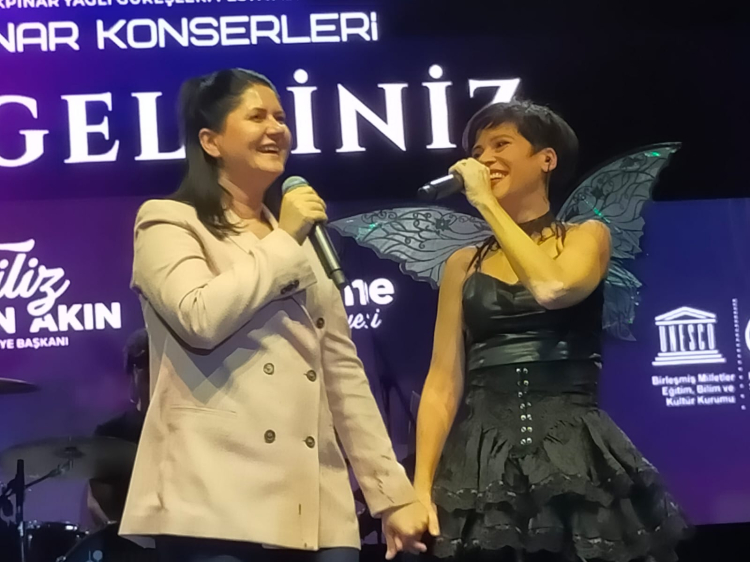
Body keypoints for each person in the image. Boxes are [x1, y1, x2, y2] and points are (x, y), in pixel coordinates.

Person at [119, 68, 429, 562]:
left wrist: (391, 495)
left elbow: (342, 373)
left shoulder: (301, 242)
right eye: (257, 116)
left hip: (316, 501)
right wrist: (285, 239)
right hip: (215, 498)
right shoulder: (169, 221)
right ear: (211, 141)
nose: (275, 129)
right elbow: (198, 317)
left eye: (281, 117)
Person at [412, 101, 689, 561]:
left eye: (501, 144)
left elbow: (553, 288)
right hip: (482, 458)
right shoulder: (462, 264)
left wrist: (485, 203)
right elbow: (442, 381)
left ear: (546, 159)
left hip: (574, 450)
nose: (484, 159)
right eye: (477, 151)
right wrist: (420, 488)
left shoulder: (586, 236)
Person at [86, 328, 149, 528]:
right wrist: (117, 534)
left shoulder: (185, 429)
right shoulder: (111, 433)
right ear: (133, 371)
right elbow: (95, 501)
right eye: (146, 366)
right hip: (126, 538)